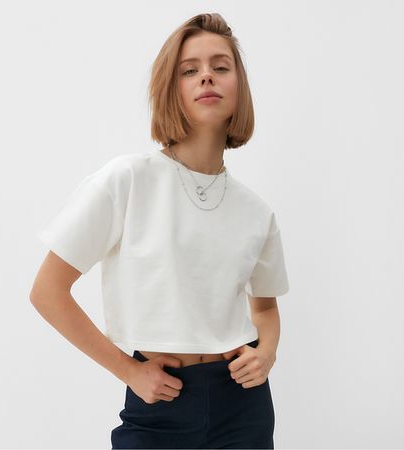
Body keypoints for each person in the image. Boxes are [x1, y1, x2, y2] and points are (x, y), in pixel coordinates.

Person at [30, 12, 290, 450]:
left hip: (243, 406)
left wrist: (266, 353)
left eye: (220, 66)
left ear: (239, 87)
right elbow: (47, 292)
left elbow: (264, 307)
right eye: (190, 70)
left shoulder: (255, 212)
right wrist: (128, 371)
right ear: (172, 89)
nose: (206, 76)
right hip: (159, 400)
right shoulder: (127, 180)